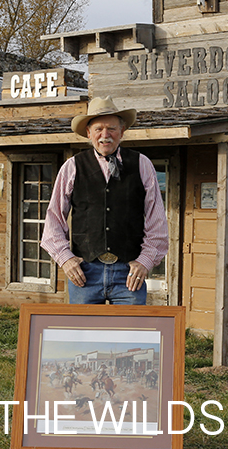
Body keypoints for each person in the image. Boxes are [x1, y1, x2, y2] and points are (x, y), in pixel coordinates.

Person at [41, 96, 169, 305]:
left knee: (131, 335)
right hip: (85, 274)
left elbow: (157, 220)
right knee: (83, 335)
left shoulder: (142, 164)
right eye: (99, 129)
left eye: (111, 128)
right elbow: (53, 218)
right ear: (88, 133)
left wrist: (145, 261)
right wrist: (66, 259)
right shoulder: (72, 167)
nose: (105, 135)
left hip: (129, 275)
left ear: (122, 131)